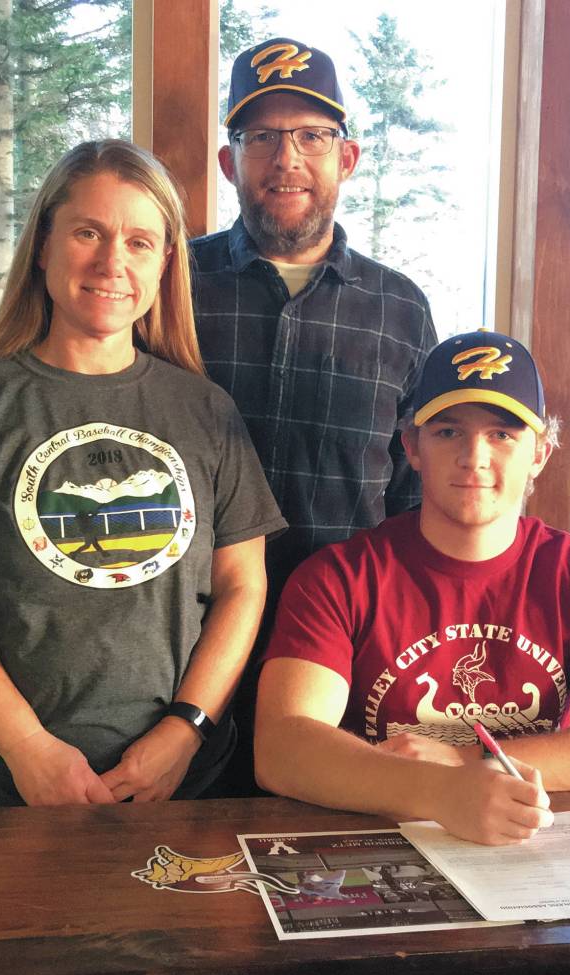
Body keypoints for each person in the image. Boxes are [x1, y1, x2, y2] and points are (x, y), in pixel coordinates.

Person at [0, 140, 286, 809]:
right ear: (43, 246)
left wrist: (185, 732)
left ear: (165, 264)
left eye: (140, 241)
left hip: (180, 791)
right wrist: (26, 748)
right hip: (1, 797)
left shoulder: (207, 411)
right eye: (88, 232)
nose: (112, 261)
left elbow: (242, 587)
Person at [255, 331, 570, 845]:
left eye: (502, 434)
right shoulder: (339, 577)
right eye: (448, 432)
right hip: (387, 849)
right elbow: (281, 749)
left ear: (540, 453)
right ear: (412, 446)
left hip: (532, 848)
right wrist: (440, 791)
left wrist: (465, 762)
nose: (473, 457)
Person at [191, 37, 438, 788]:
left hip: (345, 666)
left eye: (312, 136)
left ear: (347, 158)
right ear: (231, 162)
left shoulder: (400, 308)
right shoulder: (173, 284)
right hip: (180, 658)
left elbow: (415, 499)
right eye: (261, 136)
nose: (287, 157)